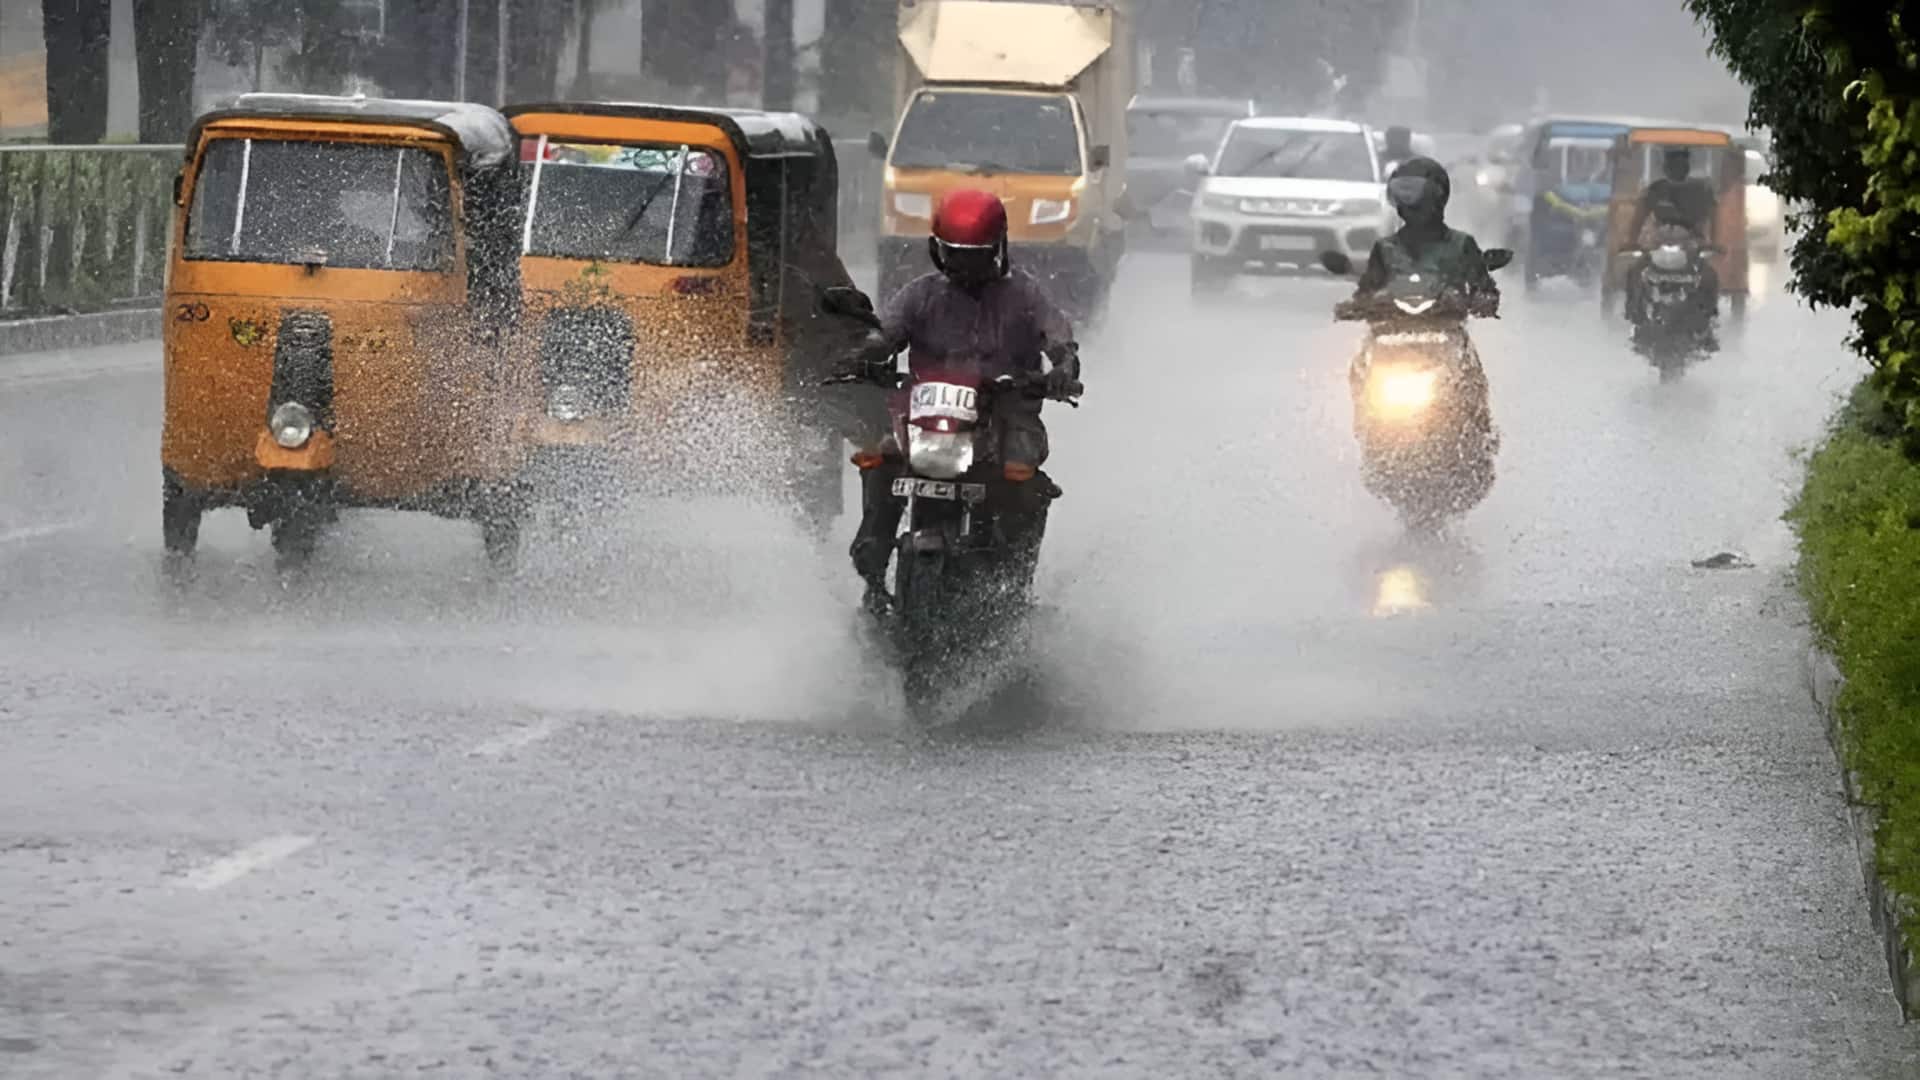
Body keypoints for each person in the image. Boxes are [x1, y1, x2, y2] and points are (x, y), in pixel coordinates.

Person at [836, 189, 1083, 615]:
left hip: (1002, 416)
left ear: (999, 248)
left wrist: (1063, 367)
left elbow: (1058, 337)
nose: (966, 266)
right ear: (937, 249)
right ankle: (873, 566)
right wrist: (862, 355)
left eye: (977, 255)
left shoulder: (1024, 295)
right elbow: (886, 334)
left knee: (1023, 471)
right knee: (880, 455)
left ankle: (1013, 584)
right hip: (925, 416)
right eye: (956, 254)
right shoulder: (920, 295)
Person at [1348, 157, 1501, 316]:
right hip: (1389, 331)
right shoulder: (1384, 248)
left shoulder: (1461, 244)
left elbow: (1484, 288)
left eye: (1418, 198)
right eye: (1402, 196)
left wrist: (1481, 301)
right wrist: (1359, 305)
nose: (1410, 206)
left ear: (1437, 198)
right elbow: (1366, 291)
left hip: (1447, 329)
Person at [1625, 147, 1720, 333]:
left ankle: (1708, 317)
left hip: (1691, 244)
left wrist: (1712, 243)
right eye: (1673, 164)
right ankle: (1634, 312)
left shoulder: (1700, 189)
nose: (1677, 168)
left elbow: (1715, 216)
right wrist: (1631, 241)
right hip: (1659, 244)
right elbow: (1639, 217)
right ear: (1666, 166)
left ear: (1687, 166)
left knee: (1709, 276)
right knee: (1634, 272)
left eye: (1681, 163)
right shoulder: (1656, 189)